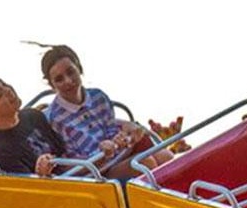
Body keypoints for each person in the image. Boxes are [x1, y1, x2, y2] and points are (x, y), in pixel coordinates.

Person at [28, 43, 156, 172]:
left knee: (163, 156)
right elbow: (72, 163)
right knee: (146, 163)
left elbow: (111, 129)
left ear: (79, 68)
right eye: (59, 79)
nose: (68, 81)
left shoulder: (98, 97)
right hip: (97, 172)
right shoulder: (55, 119)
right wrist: (102, 152)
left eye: (71, 72)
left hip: (119, 155)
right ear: (52, 85)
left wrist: (119, 138)